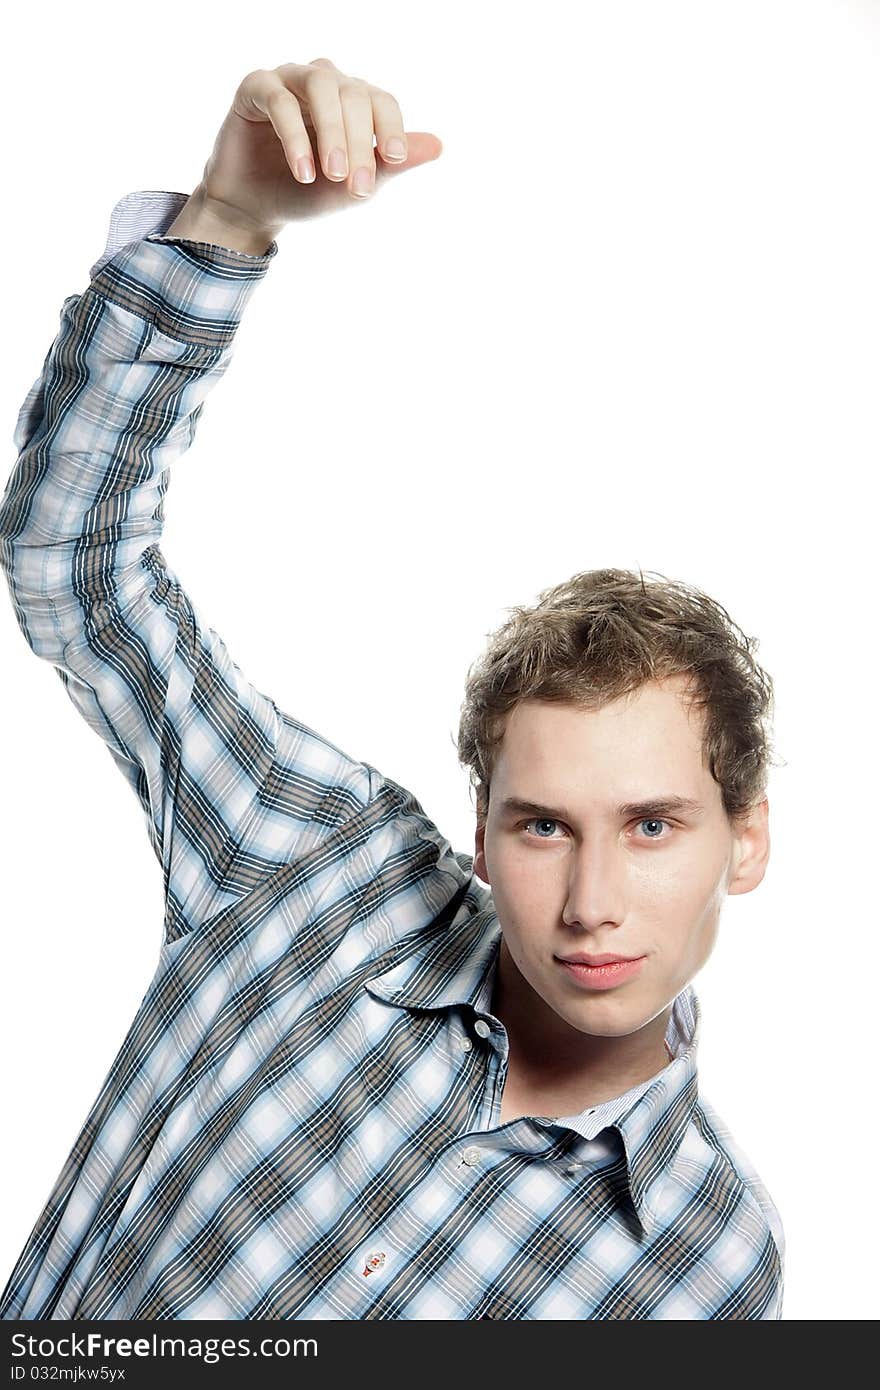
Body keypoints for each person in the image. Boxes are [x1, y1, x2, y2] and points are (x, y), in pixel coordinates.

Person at [0, 58, 784, 1320]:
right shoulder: (316, 866)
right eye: (543, 826)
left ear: (744, 839)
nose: (590, 905)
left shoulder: (709, 1264)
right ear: (479, 834)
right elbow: (74, 567)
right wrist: (229, 221)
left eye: (651, 826)